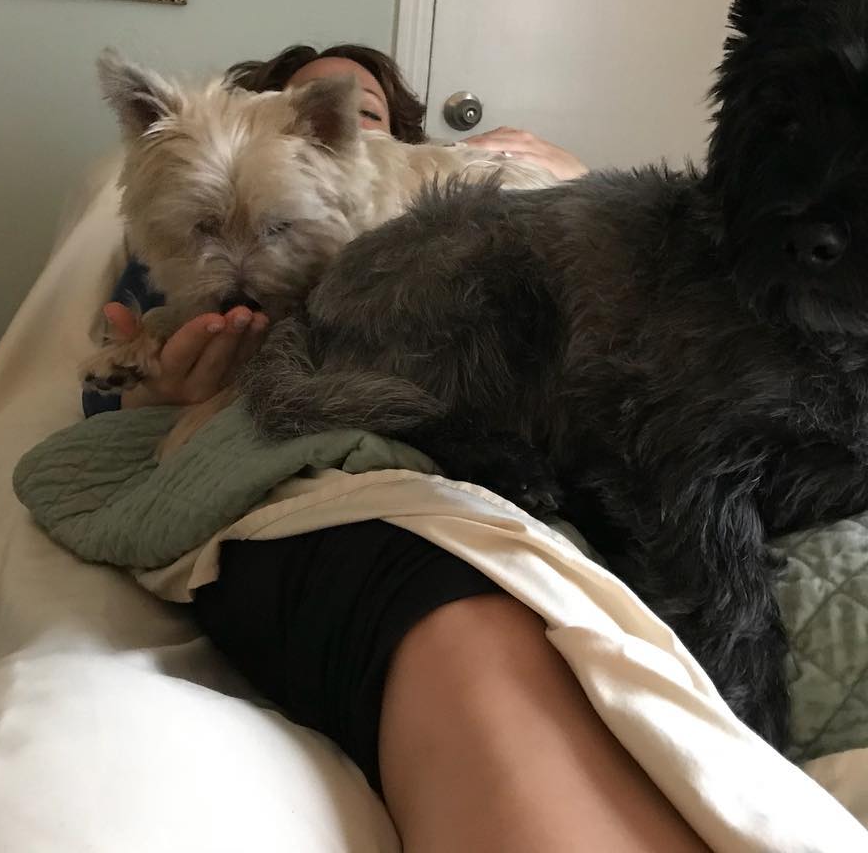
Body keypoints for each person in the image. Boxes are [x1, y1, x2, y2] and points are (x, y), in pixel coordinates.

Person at [87, 44, 707, 851]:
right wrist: (157, 388)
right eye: (205, 230)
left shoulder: (473, 198)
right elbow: (108, 405)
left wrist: (575, 170)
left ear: (352, 138)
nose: (237, 272)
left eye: (275, 228)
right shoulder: (167, 259)